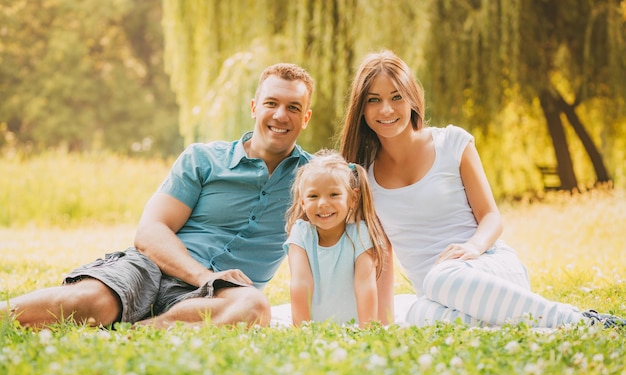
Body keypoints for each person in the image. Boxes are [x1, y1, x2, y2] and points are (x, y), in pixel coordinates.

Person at [5, 63, 315, 330]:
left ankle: (138, 333)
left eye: (293, 107)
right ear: (254, 108)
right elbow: (151, 232)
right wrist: (202, 276)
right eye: (271, 103)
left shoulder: (314, 179)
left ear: (306, 118)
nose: (280, 115)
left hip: (224, 294)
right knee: (91, 302)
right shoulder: (204, 158)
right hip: (153, 268)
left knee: (253, 307)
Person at [339, 50, 626, 328]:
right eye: (374, 100)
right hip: (436, 295)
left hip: (489, 268)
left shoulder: (452, 143)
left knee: (440, 278)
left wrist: (472, 247)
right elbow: (382, 252)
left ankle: (577, 320)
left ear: (412, 99)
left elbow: (491, 216)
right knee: (418, 313)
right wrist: (381, 324)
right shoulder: (363, 174)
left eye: (396, 97)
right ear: (361, 108)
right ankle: (521, 321)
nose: (386, 109)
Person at [281, 149, 389, 328]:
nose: (323, 203)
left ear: (353, 198)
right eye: (313, 196)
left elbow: (365, 285)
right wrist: (303, 332)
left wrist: (367, 331)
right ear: (303, 202)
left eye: (334, 194)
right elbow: (301, 284)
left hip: (353, 328)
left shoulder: (361, 234)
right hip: (315, 329)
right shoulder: (301, 234)